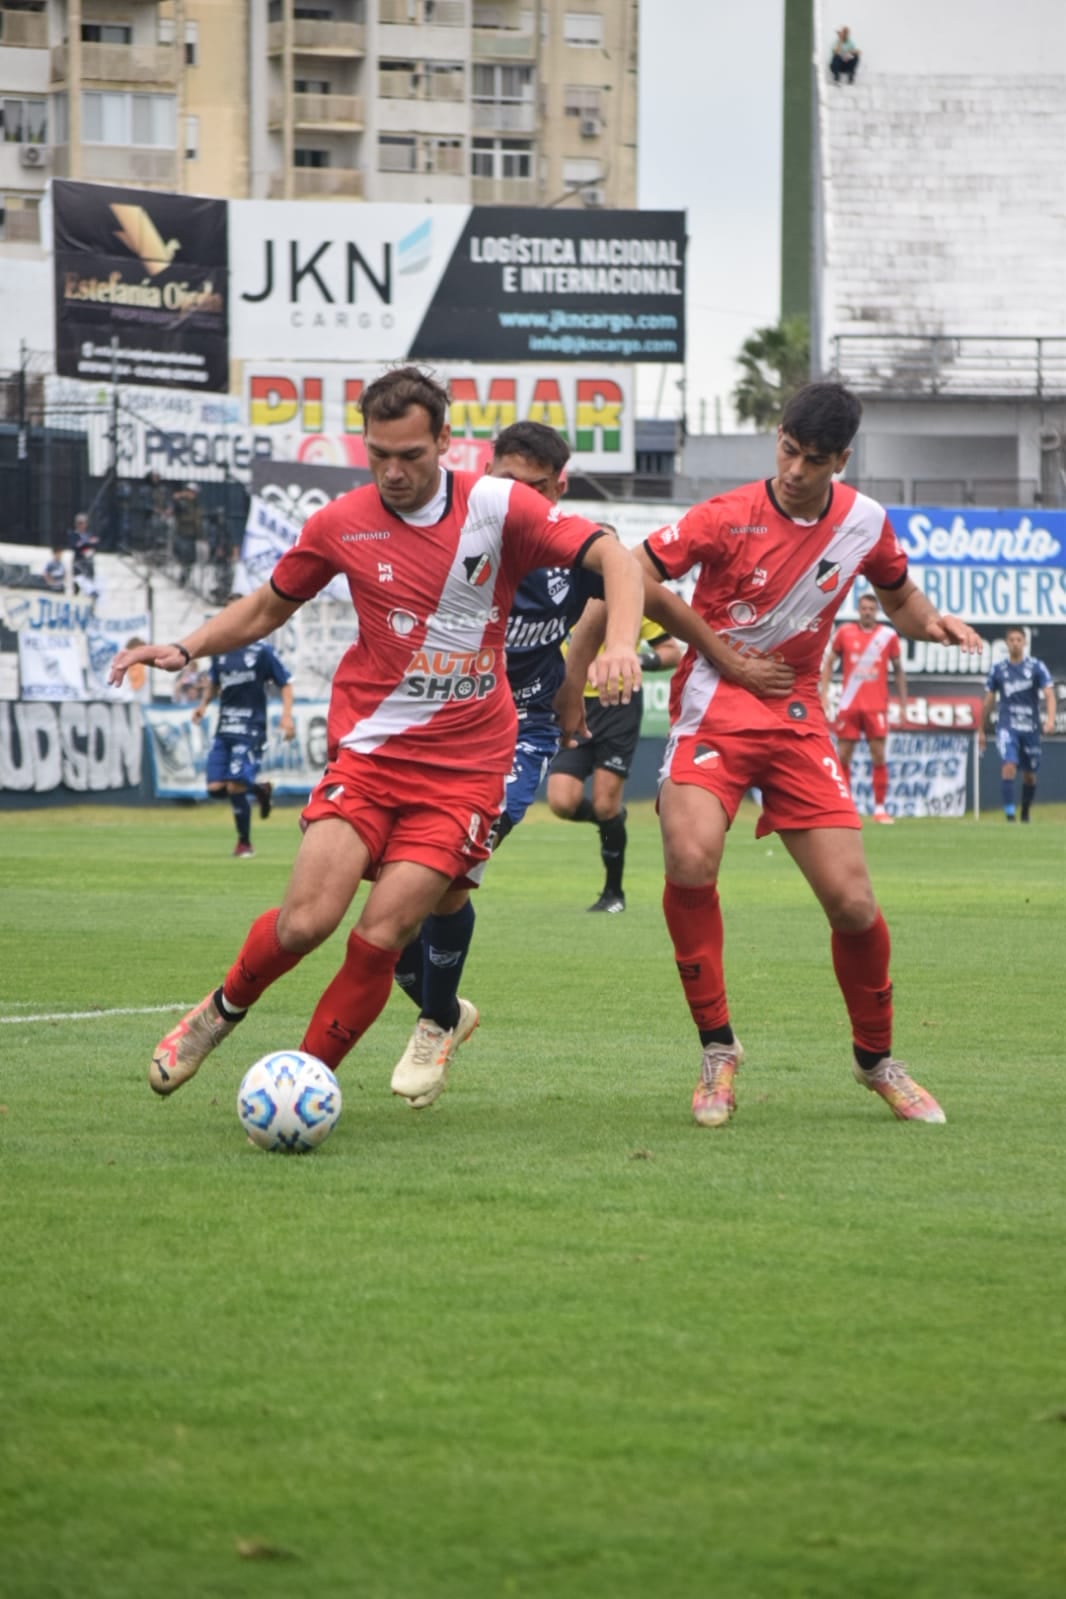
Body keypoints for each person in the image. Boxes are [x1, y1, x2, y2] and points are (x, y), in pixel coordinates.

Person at [108, 365, 646, 1102]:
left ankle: (300, 1083)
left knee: (382, 933)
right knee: (305, 922)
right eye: (379, 455)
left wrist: (617, 642)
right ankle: (217, 1013)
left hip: (464, 771)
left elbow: (616, 556)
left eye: (411, 456)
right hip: (370, 753)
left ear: (446, 442)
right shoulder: (340, 522)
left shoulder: (499, 505)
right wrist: (187, 647)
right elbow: (269, 606)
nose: (393, 472)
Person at [387, 422, 790, 1108]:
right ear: (486, 475)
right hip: (430, 725)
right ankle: (446, 1007)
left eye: (536, 489)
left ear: (559, 488)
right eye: (507, 484)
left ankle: (433, 1023)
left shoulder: (571, 543)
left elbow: (645, 589)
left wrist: (722, 659)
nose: (520, 500)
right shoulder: (446, 531)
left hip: (519, 728)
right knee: (392, 913)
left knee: (450, 870)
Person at [635, 381, 983, 1129]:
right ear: (779, 436)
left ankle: (876, 1059)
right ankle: (718, 1051)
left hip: (796, 717)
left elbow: (900, 600)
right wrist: (716, 656)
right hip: (713, 709)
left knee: (853, 902)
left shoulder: (865, 524)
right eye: (788, 449)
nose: (794, 469)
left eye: (813, 459)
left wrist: (934, 622)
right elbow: (634, 574)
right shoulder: (722, 516)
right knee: (689, 856)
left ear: (841, 460)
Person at [547, 591, 682, 913]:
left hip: (619, 705)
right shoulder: (565, 599)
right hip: (575, 703)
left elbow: (671, 652)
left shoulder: (631, 604)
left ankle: (613, 893)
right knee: (561, 801)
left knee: (606, 802)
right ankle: (612, 821)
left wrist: (638, 660)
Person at [192, 599, 297, 858]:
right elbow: (215, 683)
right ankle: (260, 789)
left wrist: (286, 717)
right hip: (224, 727)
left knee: (236, 785)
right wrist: (203, 705)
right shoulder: (220, 650)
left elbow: (285, 683)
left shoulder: (261, 651)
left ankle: (244, 843)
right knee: (215, 788)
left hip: (250, 727)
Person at [819, 591, 908, 823]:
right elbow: (828, 663)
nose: (867, 612)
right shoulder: (845, 633)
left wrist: (903, 701)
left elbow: (898, 670)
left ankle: (879, 808)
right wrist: (824, 694)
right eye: (864, 608)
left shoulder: (887, 636)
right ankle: (845, 808)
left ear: (876, 611)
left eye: (871, 608)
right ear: (859, 609)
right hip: (849, 705)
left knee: (878, 756)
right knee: (844, 756)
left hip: (876, 706)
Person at [979, 626, 1055, 822]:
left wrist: (1050, 719)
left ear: (1025, 642)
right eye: (1011, 639)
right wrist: (981, 728)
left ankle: (1025, 812)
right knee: (1009, 764)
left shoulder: (1036, 666)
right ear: (1006, 643)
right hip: (1007, 725)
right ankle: (1010, 815)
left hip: (1030, 727)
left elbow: (1049, 694)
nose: (1015, 643)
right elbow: (988, 700)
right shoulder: (998, 669)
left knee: (1030, 775)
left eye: (1018, 639)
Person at [70, 513, 100, 598]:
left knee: (90, 586)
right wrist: (87, 543)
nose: (81, 525)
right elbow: (76, 546)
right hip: (79, 566)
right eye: (79, 523)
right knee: (79, 586)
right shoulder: (74, 535)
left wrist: (86, 544)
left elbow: (95, 544)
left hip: (88, 565)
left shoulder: (89, 534)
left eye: (83, 523)